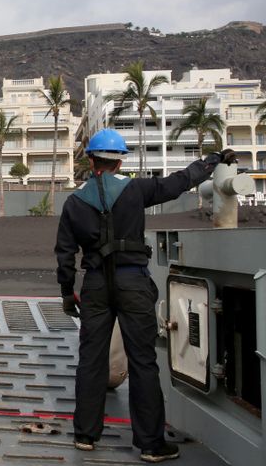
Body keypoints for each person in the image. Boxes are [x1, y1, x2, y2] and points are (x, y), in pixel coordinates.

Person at [55, 128, 236, 463]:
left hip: (95, 285)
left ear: (91, 158)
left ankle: (85, 435)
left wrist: (68, 293)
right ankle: (151, 444)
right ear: (119, 158)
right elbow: (179, 182)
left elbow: (64, 254)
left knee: (92, 360)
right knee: (142, 361)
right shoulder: (137, 189)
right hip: (133, 283)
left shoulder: (74, 202)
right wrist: (213, 161)